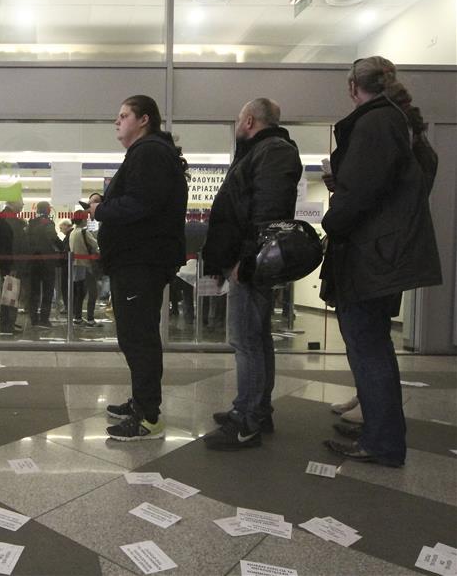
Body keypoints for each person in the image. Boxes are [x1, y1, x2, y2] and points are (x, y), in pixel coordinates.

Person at [321, 57, 441, 467]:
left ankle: (382, 440)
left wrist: (330, 221)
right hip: (385, 252)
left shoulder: (375, 123)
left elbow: (360, 194)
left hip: (370, 253)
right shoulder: (401, 124)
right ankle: (378, 427)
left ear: (355, 87)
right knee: (372, 345)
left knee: (367, 347)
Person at [200, 98, 302, 450]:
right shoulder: (262, 151)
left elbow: (267, 214)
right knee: (255, 339)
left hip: (251, 261)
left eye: (238, 119)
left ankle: (248, 421)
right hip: (249, 258)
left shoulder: (271, 151)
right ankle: (254, 408)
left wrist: (246, 259)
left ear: (249, 120)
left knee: (246, 341)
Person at [89, 94, 189, 441]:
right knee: (133, 336)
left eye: (124, 115)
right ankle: (140, 401)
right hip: (136, 260)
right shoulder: (146, 154)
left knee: (139, 338)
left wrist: (100, 211)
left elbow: (142, 204)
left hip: (140, 260)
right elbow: (139, 198)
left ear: (144, 119)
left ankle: (149, 416)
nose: (117, 121)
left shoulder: (149, 152)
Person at [0, 200, 28, 335]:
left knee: (10, 293)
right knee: (10, 294)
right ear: (14, 203)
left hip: (8, 262)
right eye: (21, 203)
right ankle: (7, 326)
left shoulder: (6, 217)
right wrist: (12, 265)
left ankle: (9, 322)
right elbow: (11, 244)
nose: (23, 206)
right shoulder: (9, 219)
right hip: (10, 263)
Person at [26, 201, 61, 327]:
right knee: (47, 291)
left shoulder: (31, 223)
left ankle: (34, 318)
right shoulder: (47, 222)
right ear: (48, 210)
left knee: (34, 291)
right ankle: (44, 319)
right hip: (47, 261)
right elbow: (53, 238)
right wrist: (64, 248)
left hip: (33, 261)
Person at [69, 213, 101, 327]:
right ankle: (90, 319)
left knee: (80, 293)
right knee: (93, 292)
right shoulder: (84, 232)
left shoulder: (72, 233)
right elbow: (95, 245)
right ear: (82, 219)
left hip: (76, 266)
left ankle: (77, 317)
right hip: (87, 266)